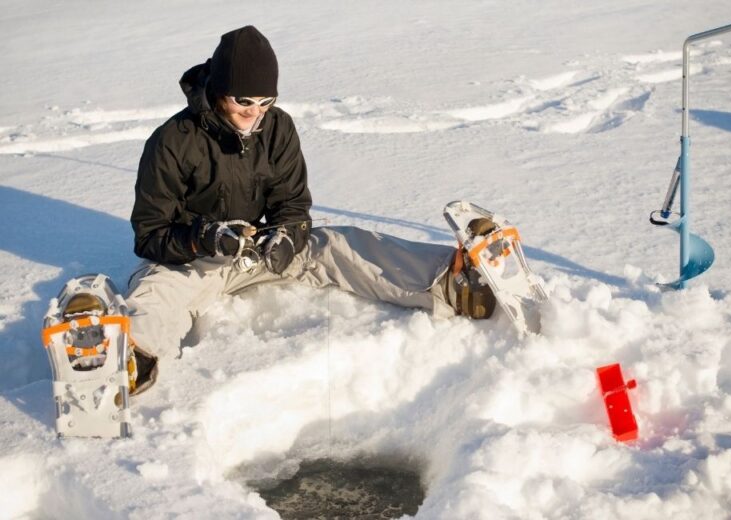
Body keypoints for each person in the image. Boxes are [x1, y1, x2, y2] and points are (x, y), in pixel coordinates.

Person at [126, 26, 495, 395]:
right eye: (244, 101)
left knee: (337, 244)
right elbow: (150, 234)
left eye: (265, 101)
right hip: (194, 259)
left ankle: (455, 282)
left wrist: (288, 236)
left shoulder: (278, 127)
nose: (255, 113)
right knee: (157, 291)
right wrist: (204, 239)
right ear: (221, 91)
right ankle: (129, 358)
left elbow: (292, 207)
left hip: (254, 253)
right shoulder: (173, 141)